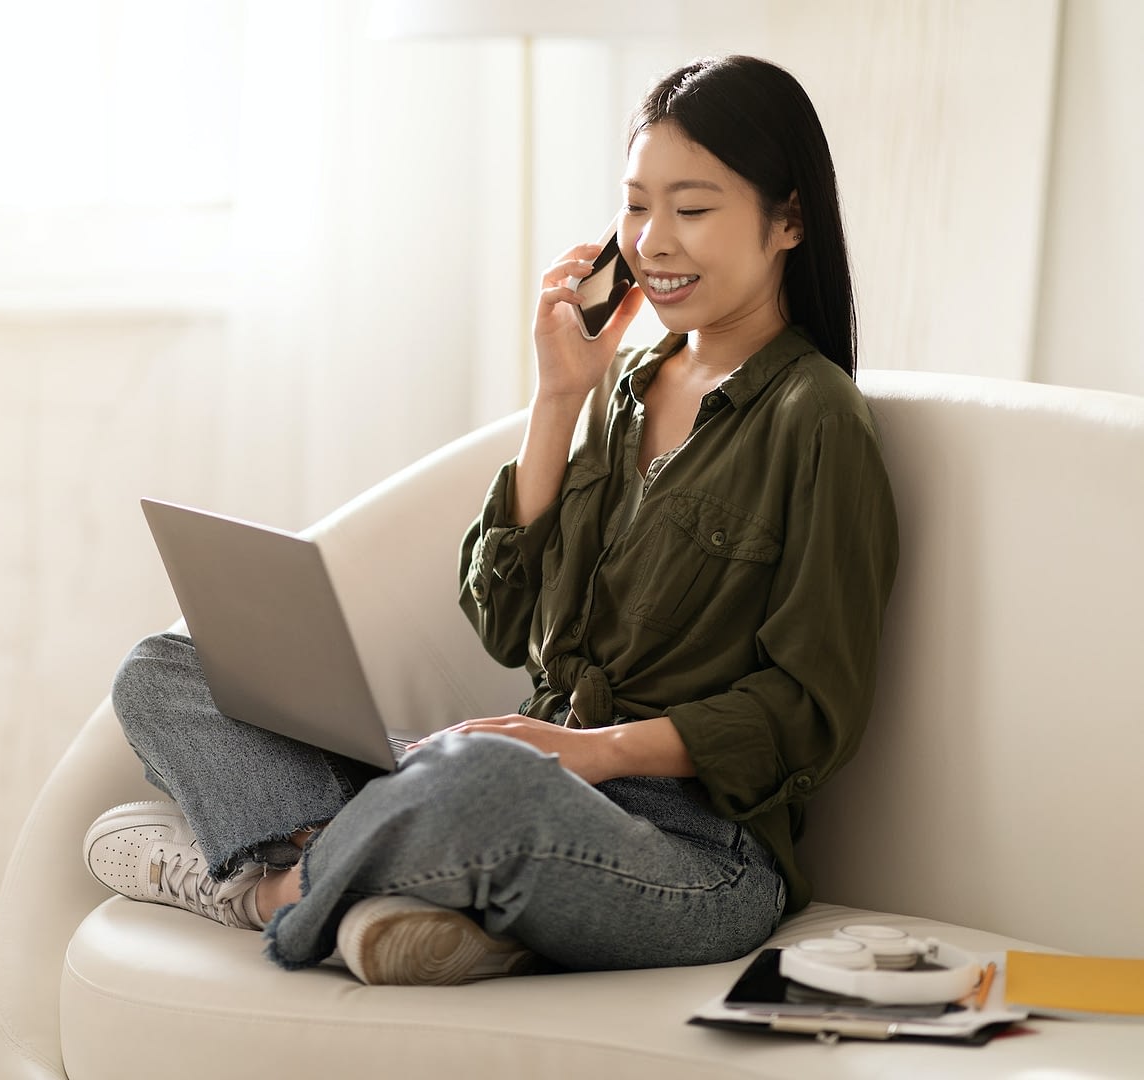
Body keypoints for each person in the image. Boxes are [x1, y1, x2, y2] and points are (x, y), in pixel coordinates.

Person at [84, 54, 899, 986]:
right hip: (526, 772)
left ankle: (271, 888)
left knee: (478, 783)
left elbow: (809, 711)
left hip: (691, 848)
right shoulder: (622, 389)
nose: (653, 241)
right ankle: (401, 881)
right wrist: (557, 399)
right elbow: (504, 621)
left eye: (694, 208)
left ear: (788, 219)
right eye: (636, 206)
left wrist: (589, 755)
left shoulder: (816, 417)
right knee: (166, 668)